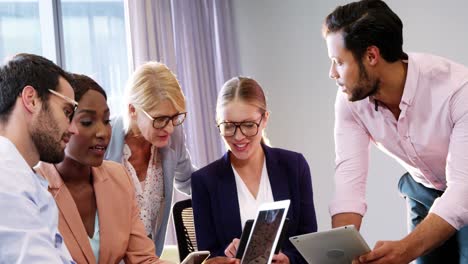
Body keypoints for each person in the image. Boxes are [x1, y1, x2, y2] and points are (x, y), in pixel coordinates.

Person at [322, 0, 468, 263]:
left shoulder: (458, 91)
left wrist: (405, 249)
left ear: (371, 56)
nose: (332, 73)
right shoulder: (349, 101)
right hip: (423, 189)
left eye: (338, 62)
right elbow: (349, 183)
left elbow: (462, 191)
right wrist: (340, 254)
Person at [35, 74, 166, 263]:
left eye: (106, 121)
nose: (103, 133)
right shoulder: (34, 187)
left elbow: (143, 259)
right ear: (61, 122)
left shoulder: (118, 177)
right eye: (87, 122)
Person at [191, 77, 317, 264]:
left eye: (249, 125)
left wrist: (288, 259)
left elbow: (308, 244)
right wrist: (226, 255)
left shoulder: (294, 166)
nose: (238, 136)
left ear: (265, 119)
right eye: (229, 126)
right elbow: (208, 256)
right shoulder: (205, 181)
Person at [105, 62, 195, 255]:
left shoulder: (173, 136)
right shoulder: (103, 139)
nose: (169, 128)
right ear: (132, 110)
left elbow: (189, 181)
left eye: (175, 117)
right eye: (160, 119)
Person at [0, 53, 77, 263]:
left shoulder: (20, 175)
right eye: (67, 111)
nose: (73, 129)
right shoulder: (5, 178)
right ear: (31, 99)